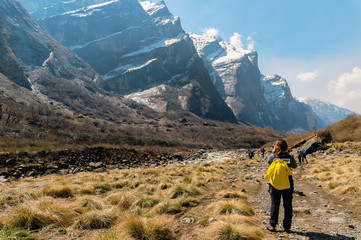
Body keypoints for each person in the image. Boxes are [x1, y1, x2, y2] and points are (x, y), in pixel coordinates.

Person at [264, 140, 297, 233]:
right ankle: (287, 226)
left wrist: (273, 152)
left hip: (275, 182)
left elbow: (268, 162)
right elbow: (295, 166)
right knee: (288, 205)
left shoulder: (272, 156)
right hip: (287, 182)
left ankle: (272, 225)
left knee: (275, 204)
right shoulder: (290, 157)